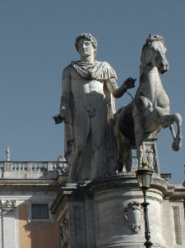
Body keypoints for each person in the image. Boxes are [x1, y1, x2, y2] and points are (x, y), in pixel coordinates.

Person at [53, 33, 135, 182]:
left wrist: (124, 86)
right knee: (81, 145)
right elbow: (65, 96)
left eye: (86, 44)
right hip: (81, 109)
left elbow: (114, 92)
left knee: (99, 144)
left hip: (100, 108)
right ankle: (73, 178)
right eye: (80, 46)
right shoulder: (70, 70)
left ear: (94, 47)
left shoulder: (104, 68)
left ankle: (96, 178)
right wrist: (62, 113)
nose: (83, 47)